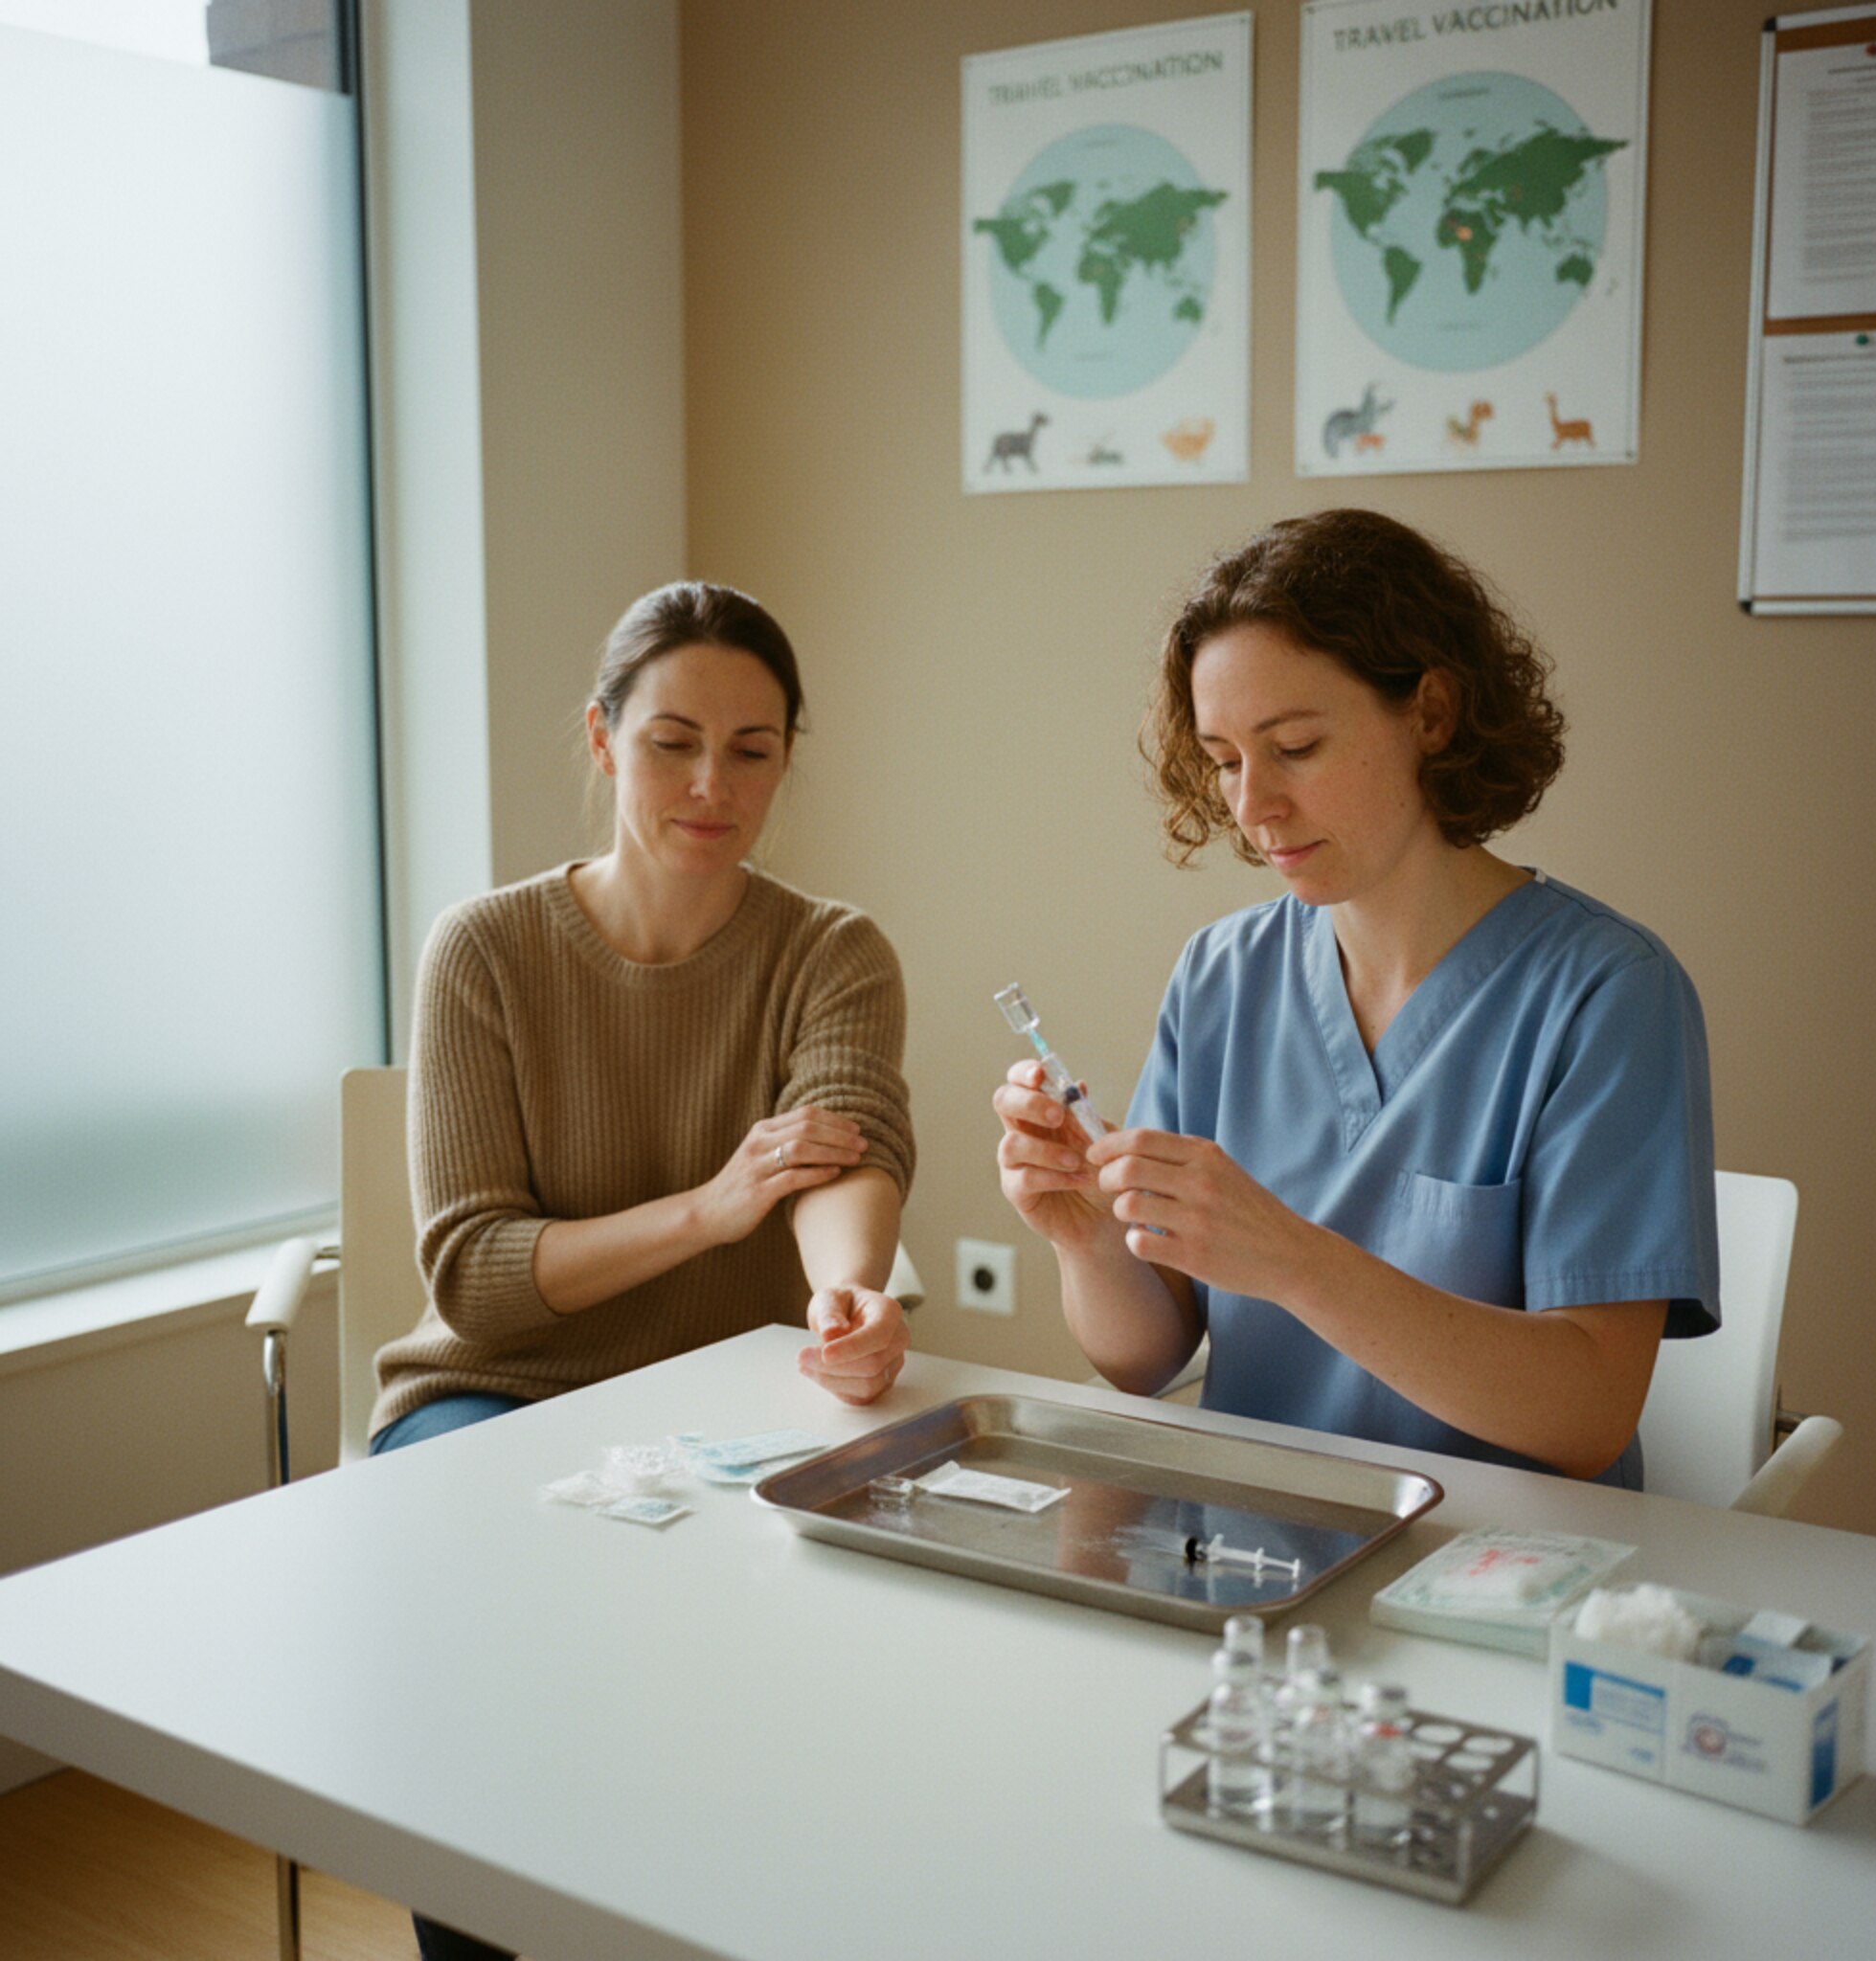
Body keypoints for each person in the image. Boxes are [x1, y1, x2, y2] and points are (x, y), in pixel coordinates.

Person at [371, 580, 915, 1961]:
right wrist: (709, 1211)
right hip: (494, 1393)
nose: (710, 784)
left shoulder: (831, 950)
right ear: (604, 738)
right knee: (488, 1660)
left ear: (786, 758)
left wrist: (846, 1290)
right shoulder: (483, 949)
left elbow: (844, 1144)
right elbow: (476, 1277)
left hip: (730, 1407)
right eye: (673, 742)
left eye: (751, 748)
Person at [995, 509, 1718, 1488]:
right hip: (1256, 1540)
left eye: (1294, 746)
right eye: (1224, 760)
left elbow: (1587, 1415)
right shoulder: (1221, 975)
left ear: (1431, 713)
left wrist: (1292, 1259)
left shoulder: (1605, 994)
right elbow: (1147, 1356)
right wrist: (1086, 1239)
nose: (1252, 806)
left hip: (1494, 1554)